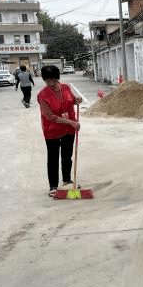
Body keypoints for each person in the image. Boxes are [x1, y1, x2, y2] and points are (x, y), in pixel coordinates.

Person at [37, 65, 82, 196]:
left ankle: (67, 180)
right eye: (47, 80)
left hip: (69, 129)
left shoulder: (66, 88)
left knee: (67, 156)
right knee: (53, 158)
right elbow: (50, 116)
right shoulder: (42, 95)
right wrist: (71, 122)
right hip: (52, 130)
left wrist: (77, 100)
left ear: (58, 78)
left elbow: (71, 101)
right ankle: (53, 186)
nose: (50, 83)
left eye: (53, 80)